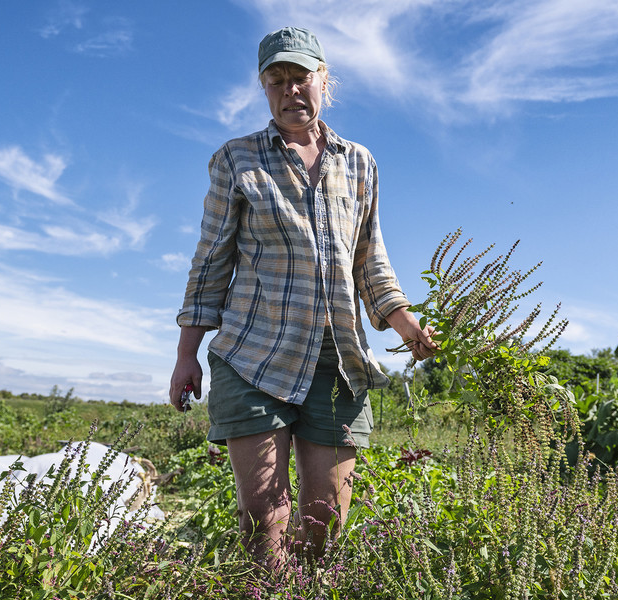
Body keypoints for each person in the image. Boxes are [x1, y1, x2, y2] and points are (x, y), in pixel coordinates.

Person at [169, 26, 437, 569]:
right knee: (264, 524)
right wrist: (185, 355)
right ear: (264, 90)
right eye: (277, 82)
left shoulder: (359, 162)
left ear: (324, 81)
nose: (291, 91)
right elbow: (211, 261)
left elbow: (370, 259)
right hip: (254, 357)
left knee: (325, 524)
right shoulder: (237, 160)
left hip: (336, 363)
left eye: (301, 79)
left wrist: (406, 324)